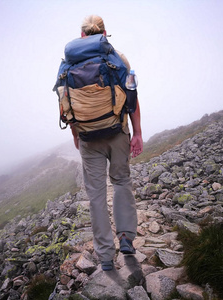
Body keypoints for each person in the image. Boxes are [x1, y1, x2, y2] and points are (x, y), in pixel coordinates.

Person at [67, 15, 143, 271]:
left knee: (96, 195)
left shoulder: (68, 63)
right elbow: (131, 96)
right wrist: (137, 133)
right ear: (104, 33)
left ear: (81, 36)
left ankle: (105, 256)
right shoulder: (118, 59)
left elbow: (67, 104)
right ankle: (126, 238)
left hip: (88, 137)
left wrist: (77, 136)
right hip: (117, 131)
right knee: (121, 182)